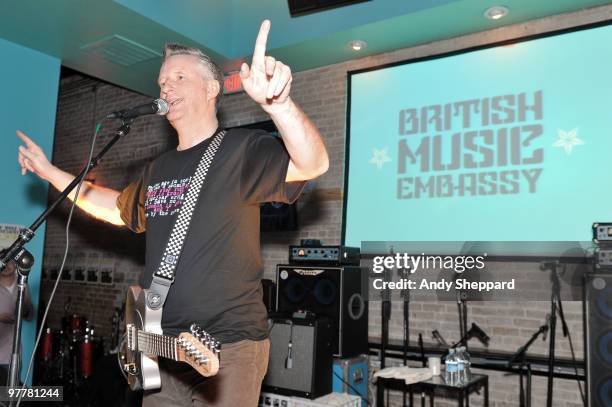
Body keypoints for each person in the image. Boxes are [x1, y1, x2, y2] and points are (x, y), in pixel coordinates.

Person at [16, 20, 328, 407]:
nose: (166, 86)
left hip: (228, 348)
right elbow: (113, 208)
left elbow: (313, 163)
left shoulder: (240, 149)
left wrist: (279, 106)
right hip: (161, 347)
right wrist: (48, 171)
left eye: (179, 76)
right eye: (163, 80)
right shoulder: (158, 168)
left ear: (212, 89)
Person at [0, 250, 33, 387]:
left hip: (11, 355)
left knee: (8, 397)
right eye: (4, 260)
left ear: (17, 265)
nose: (7, 265)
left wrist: (22, 310)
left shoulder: (23, 285)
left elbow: (30, 315)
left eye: (11, 261)